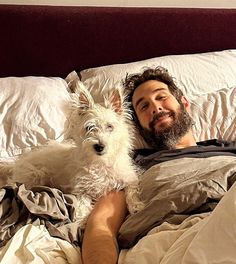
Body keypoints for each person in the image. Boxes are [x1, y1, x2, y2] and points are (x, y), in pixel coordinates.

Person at [81, 66, 236, 263]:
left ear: (184, 102)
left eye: (161, 97)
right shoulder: (130, 165)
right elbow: (102, 225)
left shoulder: (228, 149)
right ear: (138, 126)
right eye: (143, 107)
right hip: (173, 238)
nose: (155, 107)